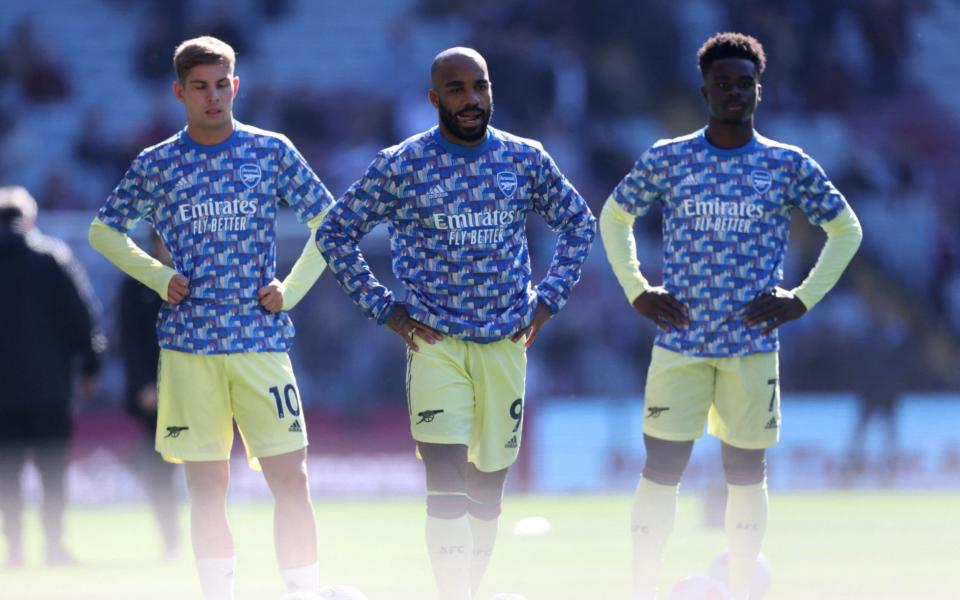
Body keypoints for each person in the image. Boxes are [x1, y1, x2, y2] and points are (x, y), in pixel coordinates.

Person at [316, 47, 596, 600]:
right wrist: (385, 309)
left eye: (479, 86)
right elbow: (334, 233)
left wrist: (548, 300)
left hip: (507, 340)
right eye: (457, 89)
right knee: (445, 474)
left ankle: (467, 588)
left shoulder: (525, 158)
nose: (470, 99)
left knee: (487, 489)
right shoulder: (403, 164)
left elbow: (579, 223)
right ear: (434, 98)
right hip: (434, 341)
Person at [599, 33, 862, 600]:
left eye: (745, 83)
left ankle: (743, 590)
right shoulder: (669, 157)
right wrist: (637, 289)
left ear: (758, 91)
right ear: (705, 91)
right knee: (660, 470)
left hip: (751, 347)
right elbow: (615, 215)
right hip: (681, 342)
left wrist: (802, 297)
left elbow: (846, 229)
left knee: (746, 475)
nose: (734, 92)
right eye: (723, 83)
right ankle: (642, 588)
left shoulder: (786, 164)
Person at [88, 36, 334, 599]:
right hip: (188, 349)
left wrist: (291, 289)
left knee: (292, 481)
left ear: (236, 86)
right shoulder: (158, 163)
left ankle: (303, 592)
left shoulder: (270, 151)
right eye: (200, 86)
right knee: (206, 488)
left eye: (222, 84)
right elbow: (103, 230)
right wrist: (156, 275)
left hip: (260, 343)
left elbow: (331, 223)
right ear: (180, 92)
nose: (213, 96)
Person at [0, 185, 104, 567]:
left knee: (6, 476)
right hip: (50, 391)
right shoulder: (53, 259)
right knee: (52, 475)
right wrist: (92, 366)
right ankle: (54, 545)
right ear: (29, 219)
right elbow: (84, 319)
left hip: (2, 397)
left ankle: (13, 549)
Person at [117, 230, 182, 560]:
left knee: (209, 466)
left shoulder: (195, 277)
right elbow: (129, 340)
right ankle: (171, 538)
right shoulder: (137, 283)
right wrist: (143, 383)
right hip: (157, 396)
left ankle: (212, 538)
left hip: (195, 390)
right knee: (161, 471)